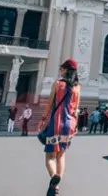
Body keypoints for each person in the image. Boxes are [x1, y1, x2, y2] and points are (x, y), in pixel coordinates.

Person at [38, 58, 81, 196]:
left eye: (61, 69)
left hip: (56, 124)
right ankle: (57, 183)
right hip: (69, 125)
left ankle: (53, 179)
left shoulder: (57, 84)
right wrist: (76, 125)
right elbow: (76, 109)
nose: (60, 71)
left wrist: (43, 119)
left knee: (50, 156)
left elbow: (50, 104)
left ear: (66, 70)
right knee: (61, 155)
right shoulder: (77, 88)